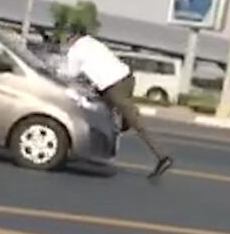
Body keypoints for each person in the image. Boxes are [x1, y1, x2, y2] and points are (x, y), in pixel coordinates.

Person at [61, 25, 173, 179]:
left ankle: (162, 156)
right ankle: (102, 144)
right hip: (127, 79)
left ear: (72, 36)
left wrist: (54, 69)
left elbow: (70, 74)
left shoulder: (75, 51)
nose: (66, 40)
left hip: (113, 87)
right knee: (103, 114)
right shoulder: (91, 41)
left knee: (133, 121)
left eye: (67, 36)